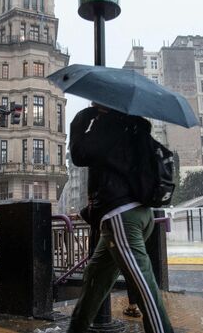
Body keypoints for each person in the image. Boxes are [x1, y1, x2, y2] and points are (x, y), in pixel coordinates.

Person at [68, 105, 174, 333]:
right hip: (138, 213)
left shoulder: (110, 124)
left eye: (96, 102)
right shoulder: (134, 126)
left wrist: (81, 119)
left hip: (121, 217)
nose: (92, 104)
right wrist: (90, 211)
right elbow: (118, 174)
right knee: (95, 279)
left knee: (145, 287)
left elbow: (79, 154)